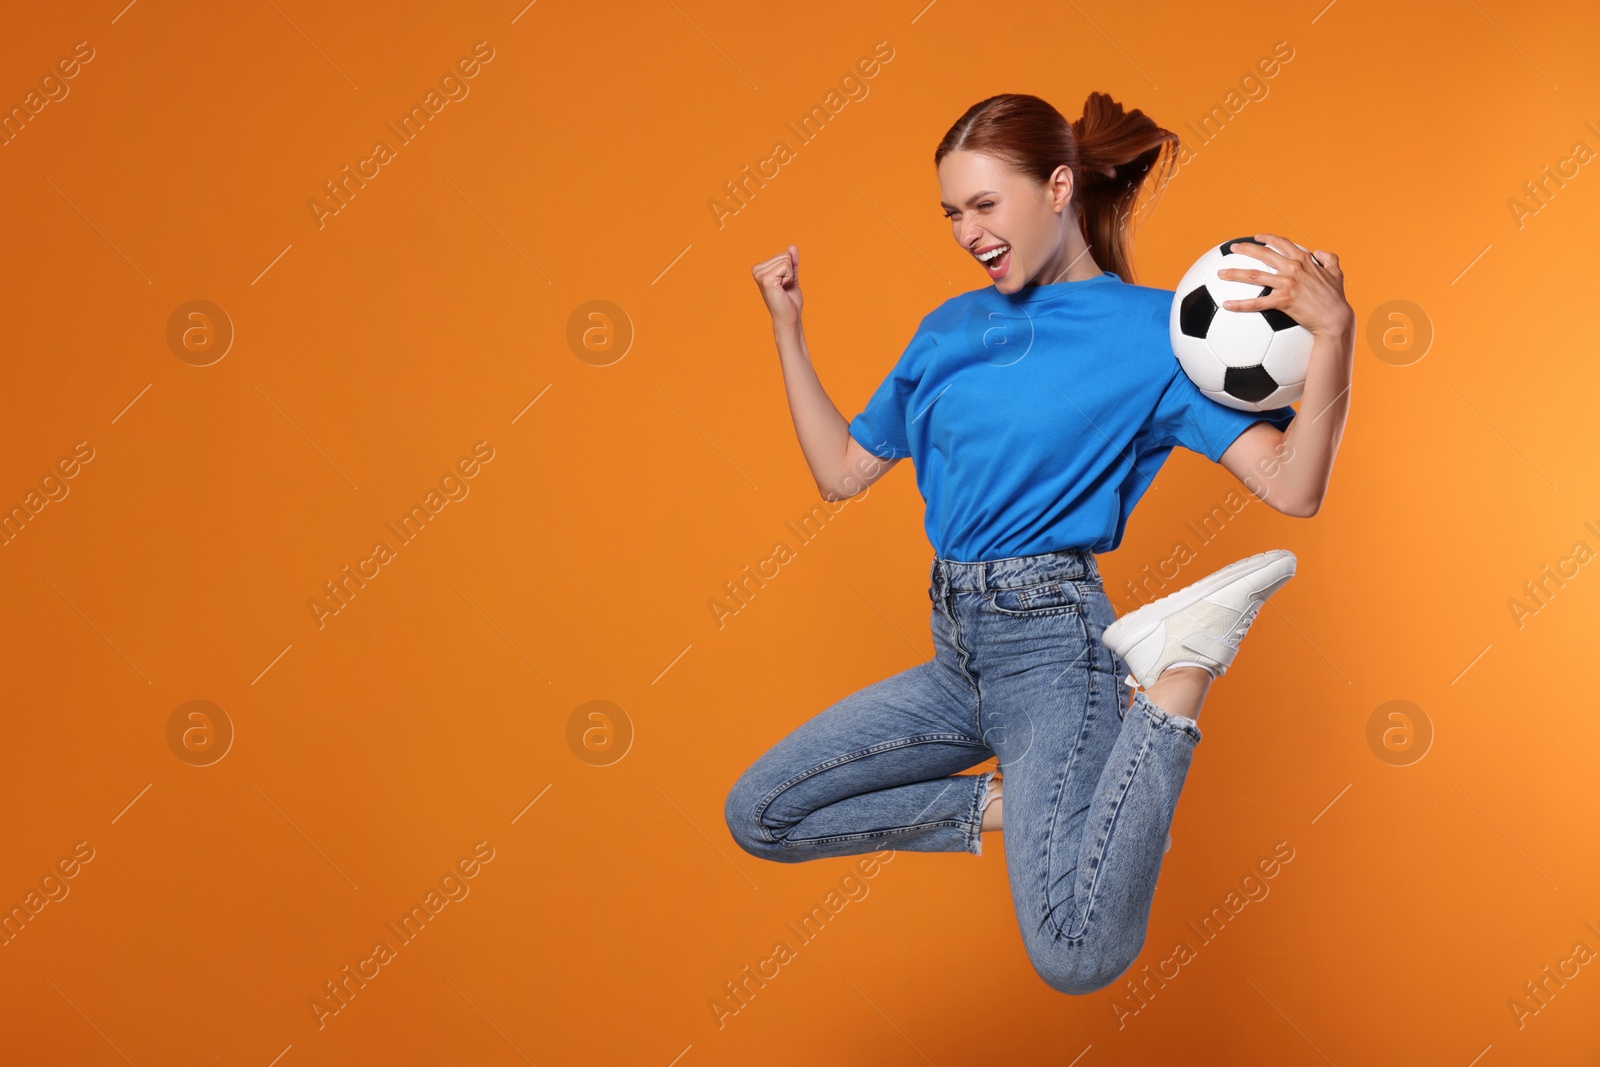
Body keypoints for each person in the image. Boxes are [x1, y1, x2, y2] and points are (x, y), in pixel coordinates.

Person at [724, 91, 1354, 995]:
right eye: (952, 212)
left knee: (1076, 952)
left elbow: (1294, 485)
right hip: (959, 653)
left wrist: (1334, 333)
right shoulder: (947, 330)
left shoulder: (1157, 334)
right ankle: (1011, 804)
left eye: (985, 205)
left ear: (1058, 186)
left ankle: (1177, 677)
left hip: (1053, 651)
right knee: (764, 815)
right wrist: (788, 327)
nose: (967, 231)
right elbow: (842, 472)